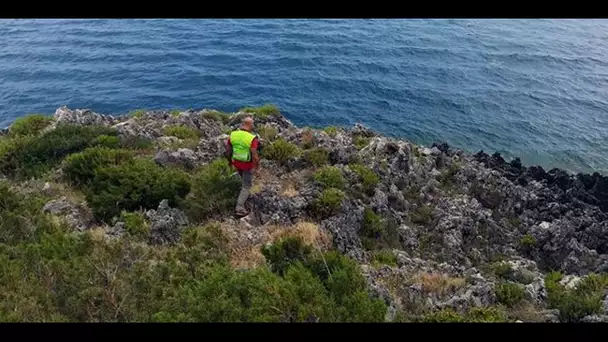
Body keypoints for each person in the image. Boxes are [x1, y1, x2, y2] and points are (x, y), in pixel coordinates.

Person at [225, 116, 260, 217]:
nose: (253, 125)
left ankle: (242, 195)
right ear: (248, 125)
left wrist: (230, 162)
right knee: (246, 186)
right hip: (247, 165)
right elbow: (254, 156)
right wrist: (256, 167)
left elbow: (228, 151)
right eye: (252, 123)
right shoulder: (252, 138)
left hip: (236, 162)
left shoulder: (233, 135)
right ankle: (239, 208)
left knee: (243, 180)